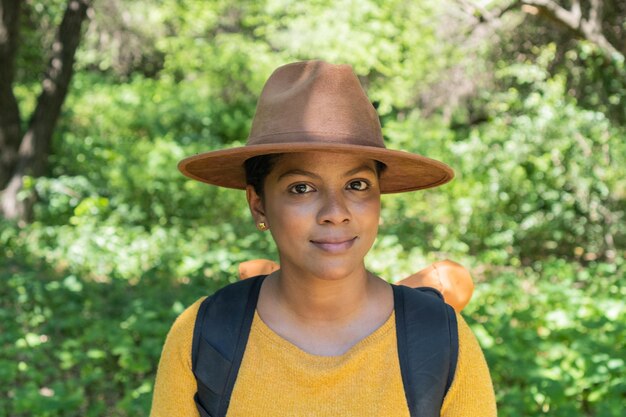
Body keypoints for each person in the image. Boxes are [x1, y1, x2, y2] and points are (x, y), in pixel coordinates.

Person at [150, 60, 496, 417]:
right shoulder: (203, 335)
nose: (335, 211)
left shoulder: (441, 339)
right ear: (259, 205)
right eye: (301, 188)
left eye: (357, 185)